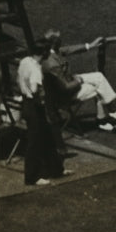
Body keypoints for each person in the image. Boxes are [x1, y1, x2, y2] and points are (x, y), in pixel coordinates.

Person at [41, 29, 116, 132]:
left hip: (70, 81)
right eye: (59, 39)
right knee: (98, 88)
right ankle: (103, 120)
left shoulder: (54, 51)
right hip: (65, 96)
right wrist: (80, 80)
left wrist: (91, 45)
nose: (61, 41)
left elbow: (71, 49)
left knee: (99, 77)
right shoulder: (52, 64)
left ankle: (111, 113)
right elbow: (65, 87)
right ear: (55, 42)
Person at [17, 40, 71, 185]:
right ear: (44, 53)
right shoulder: (36, 70)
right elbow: (35, 89)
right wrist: (40, 97)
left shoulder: (25, 61)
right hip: (34, 107)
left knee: (47, 137)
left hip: (27, 105)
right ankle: (31, 177)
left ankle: (56, 170)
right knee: (35, 143)